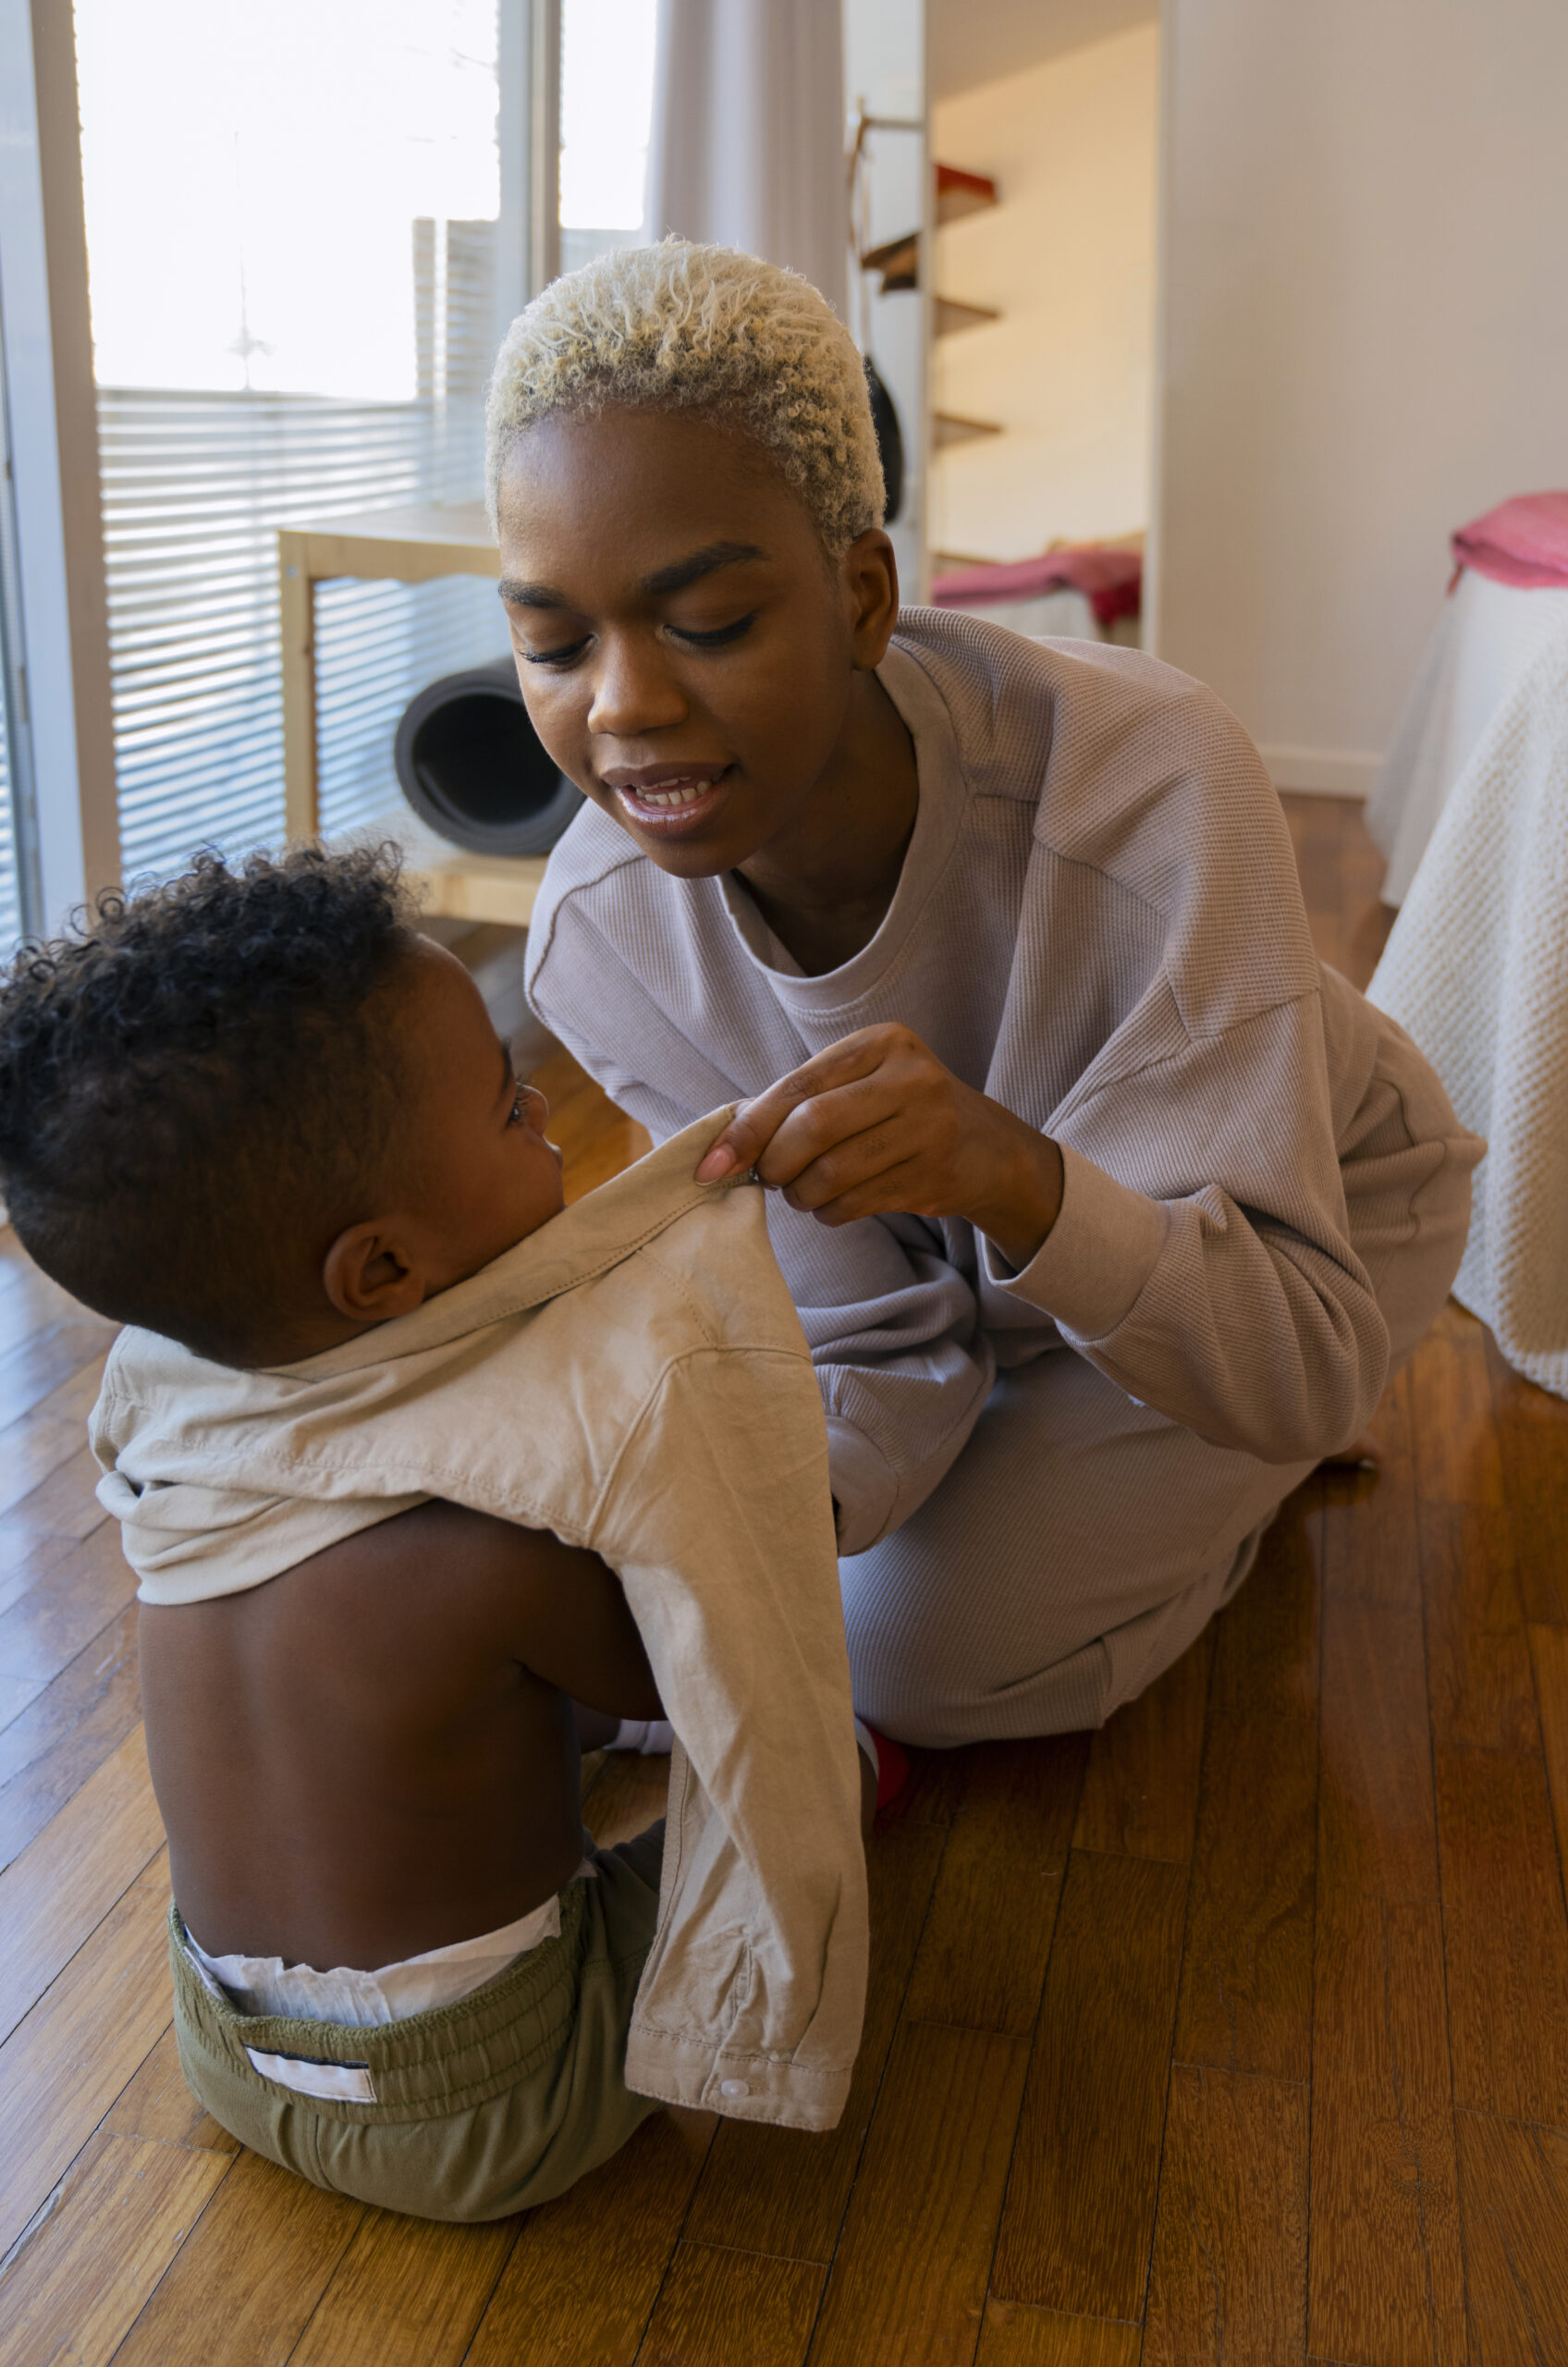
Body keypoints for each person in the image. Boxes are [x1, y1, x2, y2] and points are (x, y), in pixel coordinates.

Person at [501, 240, 1485, 1747]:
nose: (621, 706)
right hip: (994, 1297)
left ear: (863, 595)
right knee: (729, 1586)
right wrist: (765, 1519)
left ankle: (1225, 1510)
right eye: (554, 642)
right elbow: (885, 1338)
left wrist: (1015, 1177)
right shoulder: (600, 936)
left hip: (1318, 1239)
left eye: (707, 620)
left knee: (909, 1665)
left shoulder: (1147, 781)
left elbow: (1295, 1352)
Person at [0, 846, 876, 2220]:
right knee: (806, 1793)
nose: (543, 1113)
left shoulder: (175, 1446)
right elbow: (698, 1679)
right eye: (511, 1110)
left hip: (227, 2055)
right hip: (487, 2103)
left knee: (449, 1724)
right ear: (386, 1273)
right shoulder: (487, 1536)